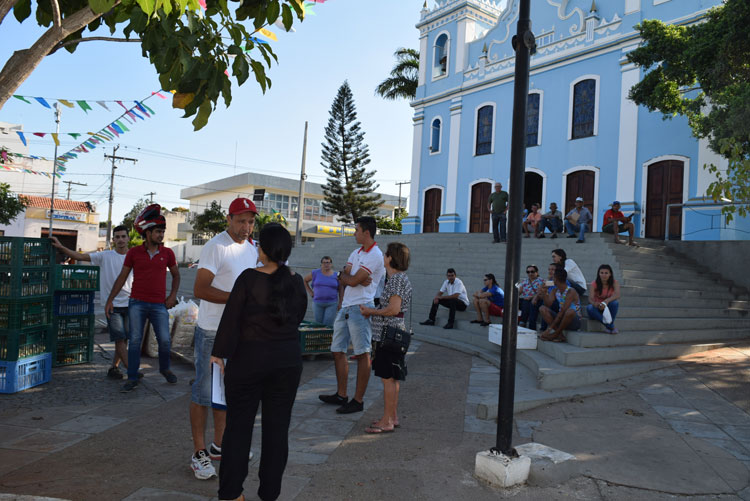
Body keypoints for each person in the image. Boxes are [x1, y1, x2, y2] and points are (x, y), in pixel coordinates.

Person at [210, 223, 307, 501]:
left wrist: (219, 352)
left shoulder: (248, 278)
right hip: (287, 363)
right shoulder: (296, 280)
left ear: (261, 249)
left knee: (238, 428)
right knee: (277, 431)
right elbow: (297, 316)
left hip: (248, 362)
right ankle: (269, 494)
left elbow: (232, 319)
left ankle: (231, 494)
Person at [189, 197, 259, 480]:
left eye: (251, 221)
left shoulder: (252, 248)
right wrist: (237, 300)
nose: (246, 227)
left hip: (238, 333)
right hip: (211, 331)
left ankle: (220, 445)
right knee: (203, 393)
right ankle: (199, 453)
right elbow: (200, 288)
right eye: (241, 221)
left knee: (227, 392)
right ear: (229, 219)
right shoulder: (215, 246)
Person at [105, 203, 180, 392]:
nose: (161, 235)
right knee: (135, 341)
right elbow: (122, 277)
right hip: (137, 303)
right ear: (147, 233)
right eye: (157, 231)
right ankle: (132, 377)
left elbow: (176, 275)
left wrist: (172, 296)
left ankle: (165, 369)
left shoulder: (168, 253)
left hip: (158, 305)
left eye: (162, 231)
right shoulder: (134, 252)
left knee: (164, 340)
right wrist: (110, 300)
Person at [318, 216, 385, 414]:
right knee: (337, 350)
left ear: (366, 232)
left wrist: (348, 278)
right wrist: (346, 277)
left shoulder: (375, 255)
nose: (354, 233)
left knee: (362, 353)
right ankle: (342, 394)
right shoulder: (356, 252)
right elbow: (347, 277)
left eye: (356, 230)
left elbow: (353, 280)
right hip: (347, 306)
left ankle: (358, 400)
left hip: (361, 307)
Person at [50, 226, 133, 380]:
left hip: (130, 303)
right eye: (117, 237)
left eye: (123, 236)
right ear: (113, 240)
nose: (121, 240)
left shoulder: (134, 257)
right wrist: (61, 247)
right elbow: (79, 256)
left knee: (123, 339)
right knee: (120, 338)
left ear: (128, 238)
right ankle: (132, 371)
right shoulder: (105, 256)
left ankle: (114, 367)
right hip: (112, 305)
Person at [359, 242, 412, 434]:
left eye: (386, 254)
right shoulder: (399, 278)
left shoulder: (397, 280)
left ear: (391, 258)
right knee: (392, 378)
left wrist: (370, 311)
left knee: (387, 379)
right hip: (391, 333)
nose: (383, 257)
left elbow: (393, 309)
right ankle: (392, 416)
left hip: (388, 334)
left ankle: (387, 420)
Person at [538, 268, 582, 342]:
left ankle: (555, 334)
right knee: (542, 308)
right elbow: (548, 304)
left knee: (569, 311)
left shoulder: (571, 291)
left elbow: (563, 311)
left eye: (553, 278)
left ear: (555, 279)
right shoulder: (555, 290)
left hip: (574, 321)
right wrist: (544, 293)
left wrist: (549, 329)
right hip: (562, 319)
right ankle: (560, 335)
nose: (552, 280)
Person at [303, 256, 340, 327]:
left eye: (328, 262)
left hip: (332, 304)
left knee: (328, 325)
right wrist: (310, 292)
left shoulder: (336, 275)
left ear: (331, 264)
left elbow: (341, 289)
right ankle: (318, 338)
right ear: (321, 264)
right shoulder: (315, 273)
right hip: (318, 303)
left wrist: (341, 302)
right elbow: (305, 280)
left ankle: (327, 338)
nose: (326, 264)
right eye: (324, 263)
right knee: (318, 325)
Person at [586, 264, 621, 334]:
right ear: (598, 274)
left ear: (610, 274)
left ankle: (609, 326)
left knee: (615, 303)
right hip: (597, 308)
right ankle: (611, 326)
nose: (604, 275)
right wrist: (595, 304)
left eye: (606, 273)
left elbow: (617, 295)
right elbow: (590, 299)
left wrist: (606, 301)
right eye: (601, 273)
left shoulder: (615, 282)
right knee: (589, 308)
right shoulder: (594, 284)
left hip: (607, 307)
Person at [519, 265, 544, 329]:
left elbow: (541, 293)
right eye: (528, 272)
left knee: (527, 303)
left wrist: (531, 297)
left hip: (536, 299)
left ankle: (523, 322)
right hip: (525, 299)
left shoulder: (541, 281)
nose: (530, 273)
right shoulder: (524, 281)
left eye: (532, 271)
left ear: (537, 272)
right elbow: (519, 291)